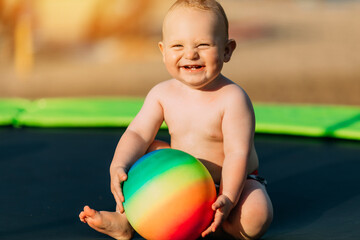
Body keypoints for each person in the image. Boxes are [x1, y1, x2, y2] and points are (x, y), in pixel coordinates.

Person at [79, 0, 273, 239]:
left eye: (202, 44)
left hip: (230, 182)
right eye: (177, 45)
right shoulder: (162, 94)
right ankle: (126, 219)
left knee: (257, 215)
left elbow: (237, 154)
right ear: (163, 51)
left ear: (227, 50)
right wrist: (117, 165)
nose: (190, 54)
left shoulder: (233, 98)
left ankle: (222, 223)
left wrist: (229, 197)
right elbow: (137, 133)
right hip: (180, 181)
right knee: (144, 147)